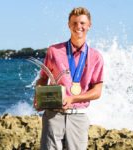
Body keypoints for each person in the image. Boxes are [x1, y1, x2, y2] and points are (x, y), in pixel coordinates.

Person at [34, 7, 104, 150]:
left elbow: (97, 91)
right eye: (75, 23)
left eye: (83, 23)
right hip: (53, 116)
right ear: (68, 25)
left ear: (89, 25)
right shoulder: (54, 51)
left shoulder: (96, 57)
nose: (79, 26)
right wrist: (38, 98)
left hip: (78, 117)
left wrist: (72, 99)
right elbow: (42, 79)